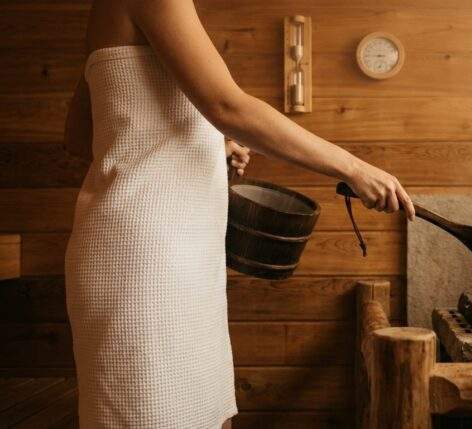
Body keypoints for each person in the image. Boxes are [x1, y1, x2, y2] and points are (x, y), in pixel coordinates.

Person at [63, 0, 415, 427]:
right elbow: (228, 107)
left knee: (199, 415)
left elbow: (83, 135)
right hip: (148, 257)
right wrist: (354, 167)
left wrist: (207, 144)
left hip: (161, 253)